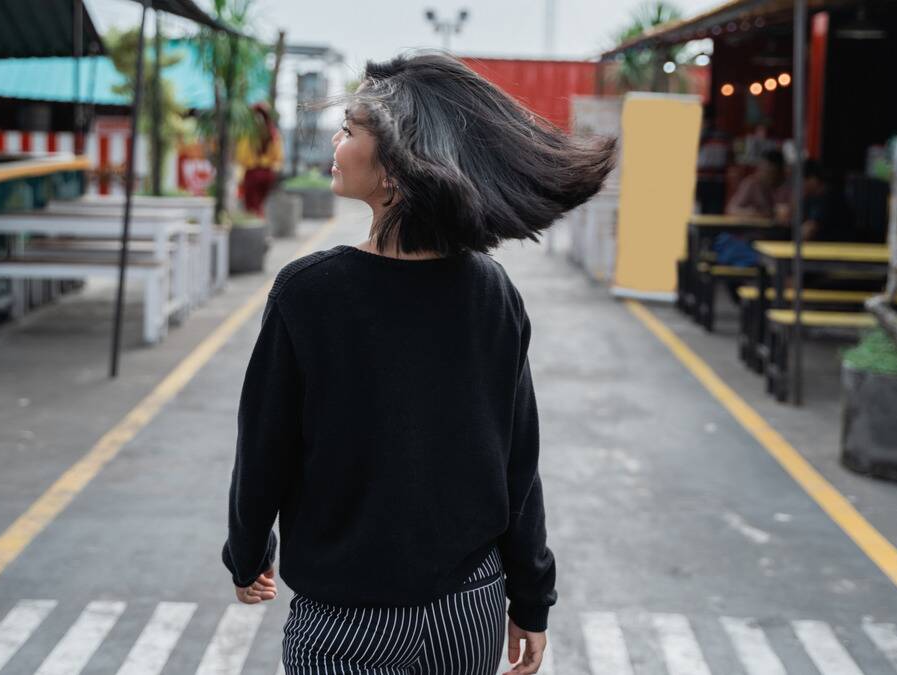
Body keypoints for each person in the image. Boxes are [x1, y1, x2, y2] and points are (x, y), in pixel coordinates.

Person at [221, 50, 617, 675]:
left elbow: (264, 447)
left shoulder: (308, 292)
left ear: (396, 171)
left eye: (349, 129)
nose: (335, 139)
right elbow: (519, 465)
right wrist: (531, 599)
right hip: (467, 611)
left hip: (343, 619)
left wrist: (248, 554)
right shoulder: (493, 293)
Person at [235, 101, 284, 215]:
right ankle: (259, 226)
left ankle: (256, 227)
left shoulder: (248, 134)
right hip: (267, 173)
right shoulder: (274, 134)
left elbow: (242, 157)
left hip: (252, 172)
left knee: (252, 206)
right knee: (259, 205)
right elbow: (278, 158)